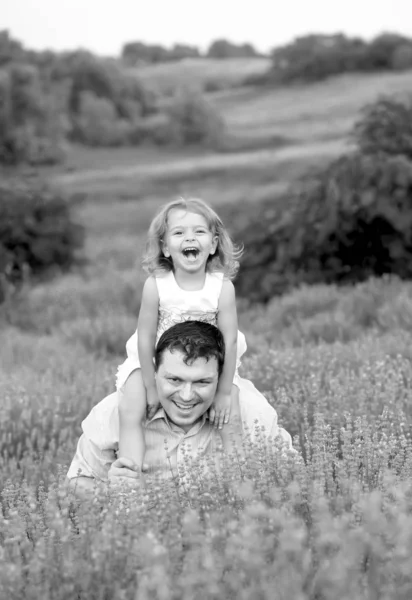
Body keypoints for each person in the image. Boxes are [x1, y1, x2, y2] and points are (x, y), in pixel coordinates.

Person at [67, 321, 293, 501]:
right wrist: (112, 491)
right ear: (153, 372)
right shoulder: (116, 412)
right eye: (174, 379)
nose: (186, 395)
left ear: (221, 378)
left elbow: (293, 476)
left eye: (202, 382)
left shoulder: (251, 413)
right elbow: (76, 483)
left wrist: (255, 484)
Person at [116, 197, 248, 471]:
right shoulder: (156, 286)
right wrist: (151, 387)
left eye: (199, 231)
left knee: (232, 416)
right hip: (157, 358)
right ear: (165, 247)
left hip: (210, 360)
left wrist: (223, 392)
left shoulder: (222, 288)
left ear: (212, 244)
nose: (190, 238)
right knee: (130, 407)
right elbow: (144, 337)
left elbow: (231, 340)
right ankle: (130, 475)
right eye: (179, 233)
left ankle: (239, 478)